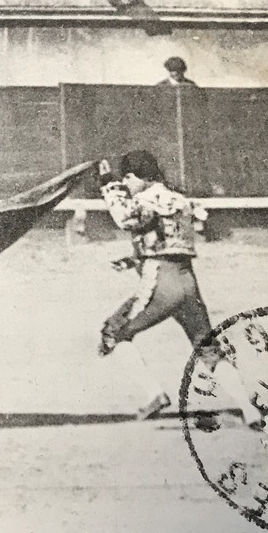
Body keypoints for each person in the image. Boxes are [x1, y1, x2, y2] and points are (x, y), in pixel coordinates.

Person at [97, 151, 214, 419]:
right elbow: (166, 241)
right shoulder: (181, 200)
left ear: (144, 175)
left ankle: (154, 394)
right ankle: (249, 409)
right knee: (206, 346)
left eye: (128, 176)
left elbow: (124, 218)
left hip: (160, 282)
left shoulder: (145, 199)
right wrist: (131, 260)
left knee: (113, 333)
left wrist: (107, 183)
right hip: (188, 280)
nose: (126, 182)